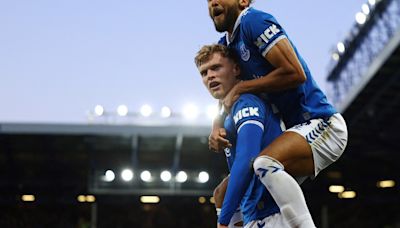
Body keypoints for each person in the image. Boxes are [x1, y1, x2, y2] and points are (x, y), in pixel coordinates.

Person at [206, 0, 348, 227]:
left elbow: (295, 73)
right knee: (224, 193)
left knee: (264, 163)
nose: (213, 2)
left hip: (321, 123)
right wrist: (216, 124)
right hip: (292, 132)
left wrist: (242, 88)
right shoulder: (226, 45)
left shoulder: (254, 21)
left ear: (243, 1)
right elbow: (226, 92)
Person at [195, 44, 315, 228]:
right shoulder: (229, 111)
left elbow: (247, 159)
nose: (210, 75)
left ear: (236, 69)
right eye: (204, 73)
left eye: (216, 68)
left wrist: (223, 221)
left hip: (272, 214)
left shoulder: (246, 103)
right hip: (255, 215)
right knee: (220, 192)